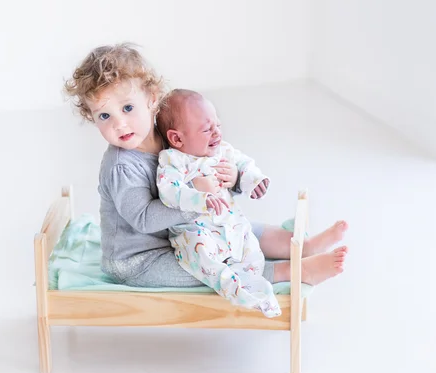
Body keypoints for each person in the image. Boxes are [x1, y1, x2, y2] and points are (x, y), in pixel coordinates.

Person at [63, 42, 348, 291]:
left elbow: (210, 163)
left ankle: (300, 246)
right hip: (142, 258)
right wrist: (198, 201)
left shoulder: (170, 138)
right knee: (209, 266)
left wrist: (233, 177)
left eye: (127, 108)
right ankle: (292, 271)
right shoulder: (121, 166)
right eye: (104, 115)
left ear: (151, 99)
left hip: (183, 232)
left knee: (238, 228)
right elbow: (144, 219)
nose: (118, 124)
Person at [155, 89, 283, 316]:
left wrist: (251, 180)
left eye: (218, 126)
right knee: (203, 255)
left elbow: (244, 164)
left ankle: (252, 281)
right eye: (206, 129)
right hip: (194, 230)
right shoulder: (173, 160)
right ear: (177, 138)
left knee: (251, 249)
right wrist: (198, 194)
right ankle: (235, 289)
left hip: (230, 223)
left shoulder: (223, 151)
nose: (217, 133)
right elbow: (169, 192)